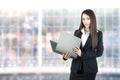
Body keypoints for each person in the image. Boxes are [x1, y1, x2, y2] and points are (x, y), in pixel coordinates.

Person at [62, 9, 104, 80]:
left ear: (92, 19)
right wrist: (66, 57)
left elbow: (99, 52)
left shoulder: (98, 34)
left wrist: (82, 54)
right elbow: (73, 49)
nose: (85, 21)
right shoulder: (77, 32)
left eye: (88, 18)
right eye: (83, 19)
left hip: (90, 70)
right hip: (75, 69)